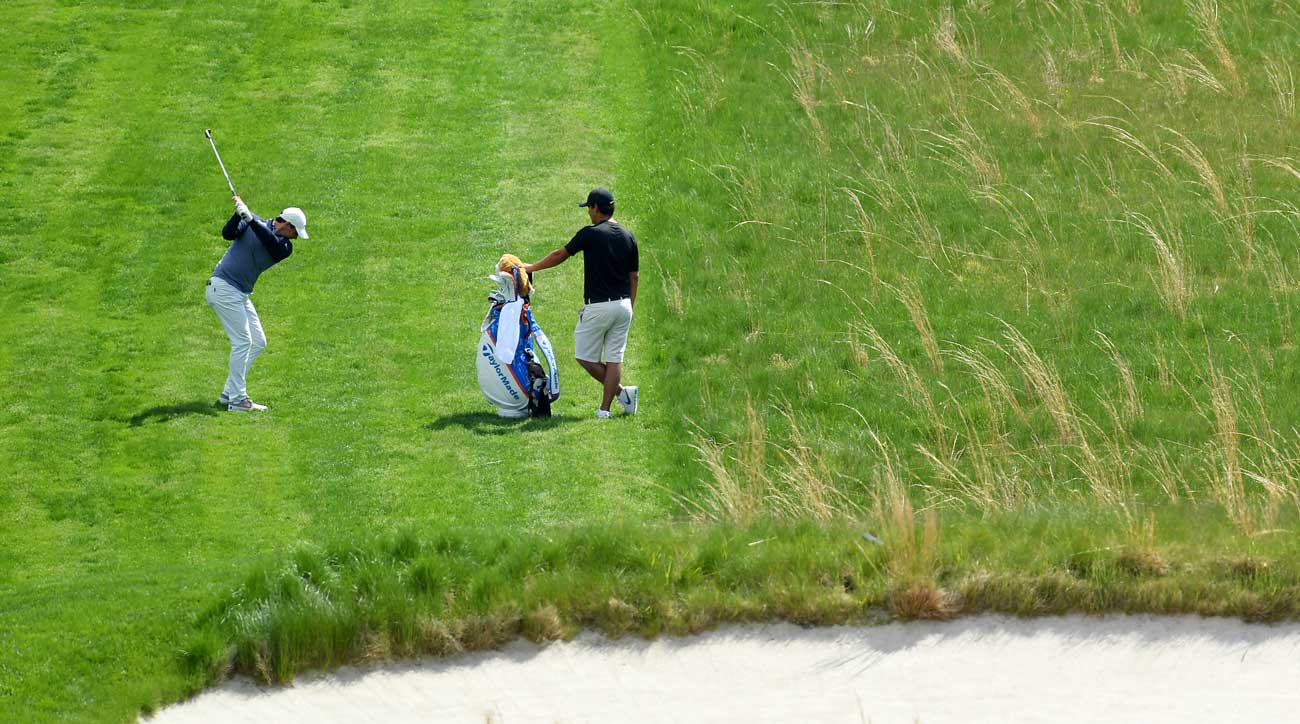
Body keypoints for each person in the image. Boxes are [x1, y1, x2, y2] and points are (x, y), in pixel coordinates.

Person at [525, 188, 639, 419]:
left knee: (585, 357)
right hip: (624, 306)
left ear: (596, 208)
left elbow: (560, 254)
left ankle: (620, 394)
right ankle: (605, 410)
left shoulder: (591, 234)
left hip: (599, 307)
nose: (588, 211)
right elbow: (634, 277)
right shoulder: (629, 237)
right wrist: (631, 307)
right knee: (615, 358)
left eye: (589, 207)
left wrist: (530, 268)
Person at [206, 194, 308, 412]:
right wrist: (238, 215)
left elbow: (269, 242)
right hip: (223, 287)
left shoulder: (284, 247)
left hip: (239, 293)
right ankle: (238, 400)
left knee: (258, 342)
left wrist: (250, 219)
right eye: (295, 232)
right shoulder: (253, 221)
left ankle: (228, 394)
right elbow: (228, 234)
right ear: (288, 225)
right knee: (243, 342)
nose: (296, 237)